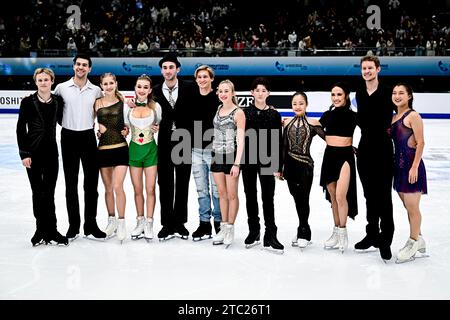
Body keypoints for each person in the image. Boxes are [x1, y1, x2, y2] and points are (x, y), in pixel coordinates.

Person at [54, 53, 106, 241]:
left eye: (84, 65)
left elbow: (106, 111)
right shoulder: (61, 88)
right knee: (71, 184)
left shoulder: (96, 91)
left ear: (90, 68)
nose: (81, 67)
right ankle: (73, 225)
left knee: (91, 185)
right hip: (68, 137)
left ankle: (90, 224)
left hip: (88, 137)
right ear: (73, 66)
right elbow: (52, 108)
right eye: (78, 64)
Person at [16, 67, 68, 246]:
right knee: (38, 193)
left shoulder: (58, 101)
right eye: (40, 80)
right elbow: (21, 129)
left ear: (52, 81)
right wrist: (24, 153)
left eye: (46, 79)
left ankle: (52, 231)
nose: (43, 83)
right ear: (35, 82)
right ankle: (40, 229)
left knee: (50, 193)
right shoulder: (28, 102)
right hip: (33, 153)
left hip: (52, 153)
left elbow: (64, 120)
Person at [355, 55, 396, 261]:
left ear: (378, 69)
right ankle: (371, 234)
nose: (367, 71)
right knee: (369, 195)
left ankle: (385, 239)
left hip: (383, 149)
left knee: (383, 196)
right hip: (364, 149)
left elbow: (401, 114)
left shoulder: (389, 91)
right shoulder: (360, 92)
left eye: (370, 68)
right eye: (364, 68)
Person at [152, 53, 196, 241]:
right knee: (165, 181)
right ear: (161, 70)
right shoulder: (154, 90)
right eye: (165, 68)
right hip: (164, 139)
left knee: (183, 180)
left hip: (184, 138)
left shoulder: (189, 87)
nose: (168, 71)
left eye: (171, 67)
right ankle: (167, 223)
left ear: (177, 69)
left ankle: (180, 222)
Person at [277, 92, 325, 249]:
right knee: (296, 198)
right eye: (294, 104)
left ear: (306, 105)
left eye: (301, 103)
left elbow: (329, 139)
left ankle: (303, 230)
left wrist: (350, 147)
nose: (297, 106)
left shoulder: (313, 122)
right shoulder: (287, 122)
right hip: (289, 166)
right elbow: (283, 146)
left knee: (303, 198)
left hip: (305, 165)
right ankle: (303, 227)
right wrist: (280, 167)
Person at [241, 77, 284, 253]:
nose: (260, 93)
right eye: (257, 90)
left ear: (268, 93)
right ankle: (254, 231)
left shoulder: (274, 114)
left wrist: (278, 166)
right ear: (252, 93)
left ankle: (271, 233)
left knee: (268, 197)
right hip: (248, 159)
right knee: (250, 195)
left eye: (263, 90)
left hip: (267, 160)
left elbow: (278, 141)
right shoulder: (244, 112)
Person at [390, 83, 427, 263]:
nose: (397, 96)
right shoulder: (394, 117)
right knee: (408, 206)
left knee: (413, 207)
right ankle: (419, 239)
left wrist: (414, 167)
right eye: (395, 93)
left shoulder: (413, 116)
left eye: (401, 93)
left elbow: (421, 143)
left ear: (409, 96)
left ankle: (413, 242)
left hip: (412, 166)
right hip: (398, 166)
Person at [319, 82, 358, 253]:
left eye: (339, 95)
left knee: (342, 196)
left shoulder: (353, 116)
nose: (335, 98)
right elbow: (317, 128)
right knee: (333, 197)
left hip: (345, 157)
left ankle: (343, 231)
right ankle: (336, 230)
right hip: (329, 157)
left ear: (346, 96)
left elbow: (371, 129)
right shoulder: (327, 115)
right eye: (333, 95)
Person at [125, 75, 162, 242]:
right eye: (139, 86)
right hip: (133, 151)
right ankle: (139, 221)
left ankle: (149, 222)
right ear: (135, 87)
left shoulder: (156, 108)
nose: (142, 90)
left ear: (150, 90)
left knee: (151, 189)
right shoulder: (128, 108)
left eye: (145, 87)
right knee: (137, 190)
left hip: (150, 151)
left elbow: (160, 124)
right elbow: (124, 128)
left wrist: (157, 127)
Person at [94, 73, 129, 243]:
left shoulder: (124, 104)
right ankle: (112, 221)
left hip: (121, 149)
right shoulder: (96, 103)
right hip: (103, 150)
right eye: (105, 83)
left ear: (116, 83)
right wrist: (97, 131)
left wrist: (127, 130)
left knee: (117, 186)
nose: (108, 86)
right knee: (107, 188)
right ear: (101, 86)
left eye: (111, 83)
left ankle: (122, 222)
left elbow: (132, 123)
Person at [211, 80, 246, 247]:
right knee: (221, 194)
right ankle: (223, 227)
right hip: (217, 155)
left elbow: (240, 140)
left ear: (232, 93)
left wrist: (237, 163)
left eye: (226, 91)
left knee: (232, 195)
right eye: (220, 91)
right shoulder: (218, 109)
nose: (223, 94)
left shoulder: (238, 112)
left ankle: (231, 227)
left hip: (232, 157)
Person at [191, 65, 222, 241]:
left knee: (217, 190)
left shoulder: (218, 99)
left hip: (214, 150)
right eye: (199, 77)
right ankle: (204, 223)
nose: (202, 79)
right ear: (196, 80)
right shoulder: (192, 97)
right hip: (195, 150)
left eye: (205, 76)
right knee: (202, 189)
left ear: (211, 79)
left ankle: (219, 221)